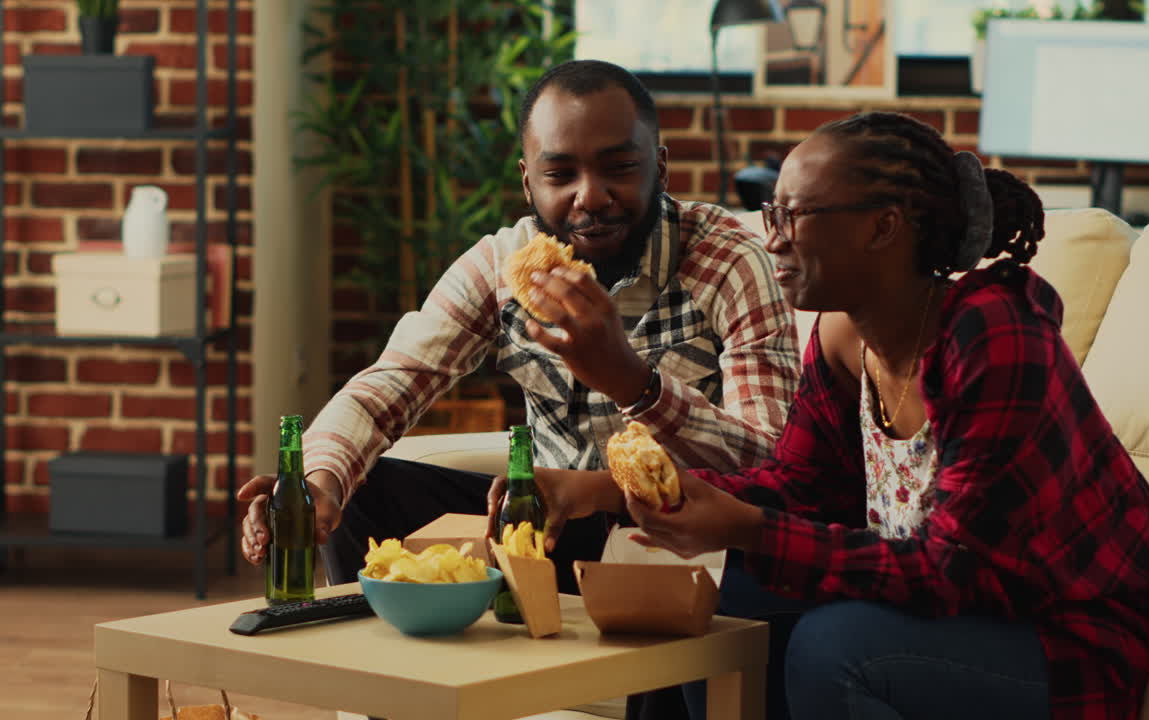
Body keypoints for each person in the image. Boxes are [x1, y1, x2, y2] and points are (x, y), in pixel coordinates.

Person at [500, 111, 1149, 720]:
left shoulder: (993, 334)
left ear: (882, 227)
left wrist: (748, 526)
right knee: (703, 598)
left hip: (1063, 637)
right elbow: (795, 492)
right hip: (939, 612)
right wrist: (603, 492)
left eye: (792, 217)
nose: (770, 241)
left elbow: (956, 571)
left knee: (834, 649)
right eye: (769, 215)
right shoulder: (840, 338)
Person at [237, 58, 797, 622]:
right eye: (561, 175)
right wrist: (321, 483)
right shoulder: (504, 267)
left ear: (661, 167)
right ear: (528, 181)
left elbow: (769, 460)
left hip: (679, 535)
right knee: (365, 485)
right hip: (545, 532)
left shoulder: (729, 263)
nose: (591, 197)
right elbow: (387, 387)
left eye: (620, 167)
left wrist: (633, 382)